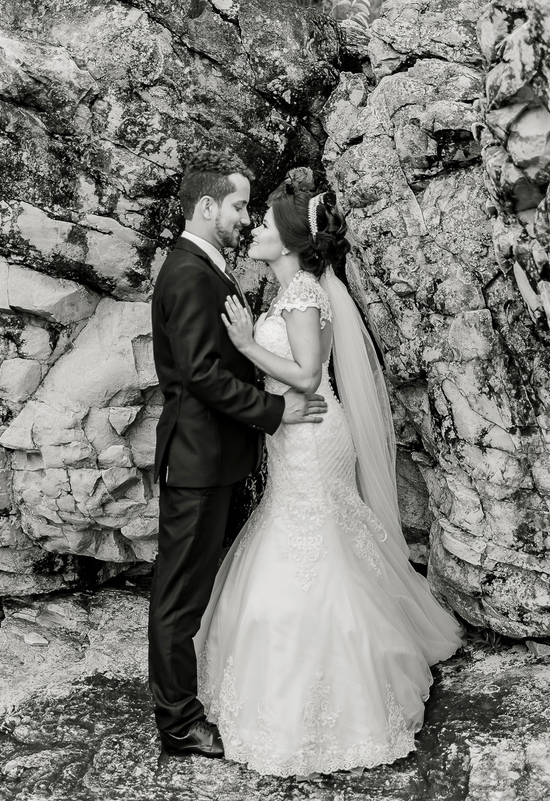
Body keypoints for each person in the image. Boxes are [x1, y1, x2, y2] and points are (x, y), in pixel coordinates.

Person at [193, 168, 464, 777]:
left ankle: (344, 690)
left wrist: (244, 347)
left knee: (313, 540)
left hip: (311, 431)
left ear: (287, 243)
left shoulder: (303, 293)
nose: (255, 230)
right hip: (300, 433)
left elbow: (310, 374)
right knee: (316, 532)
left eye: (262, 224)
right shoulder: (293, 289)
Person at [149, 152, 329, 758]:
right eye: (237, 206)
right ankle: (177, 723)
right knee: (178, 598)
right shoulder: (189, 273)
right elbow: (200, 373)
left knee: (192, 592)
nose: (244, 218)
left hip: (215, 457)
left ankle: (184, 704)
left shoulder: (207, 268)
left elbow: (226, 360)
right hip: (196, 461)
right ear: (206, 207)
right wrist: (275, 412)